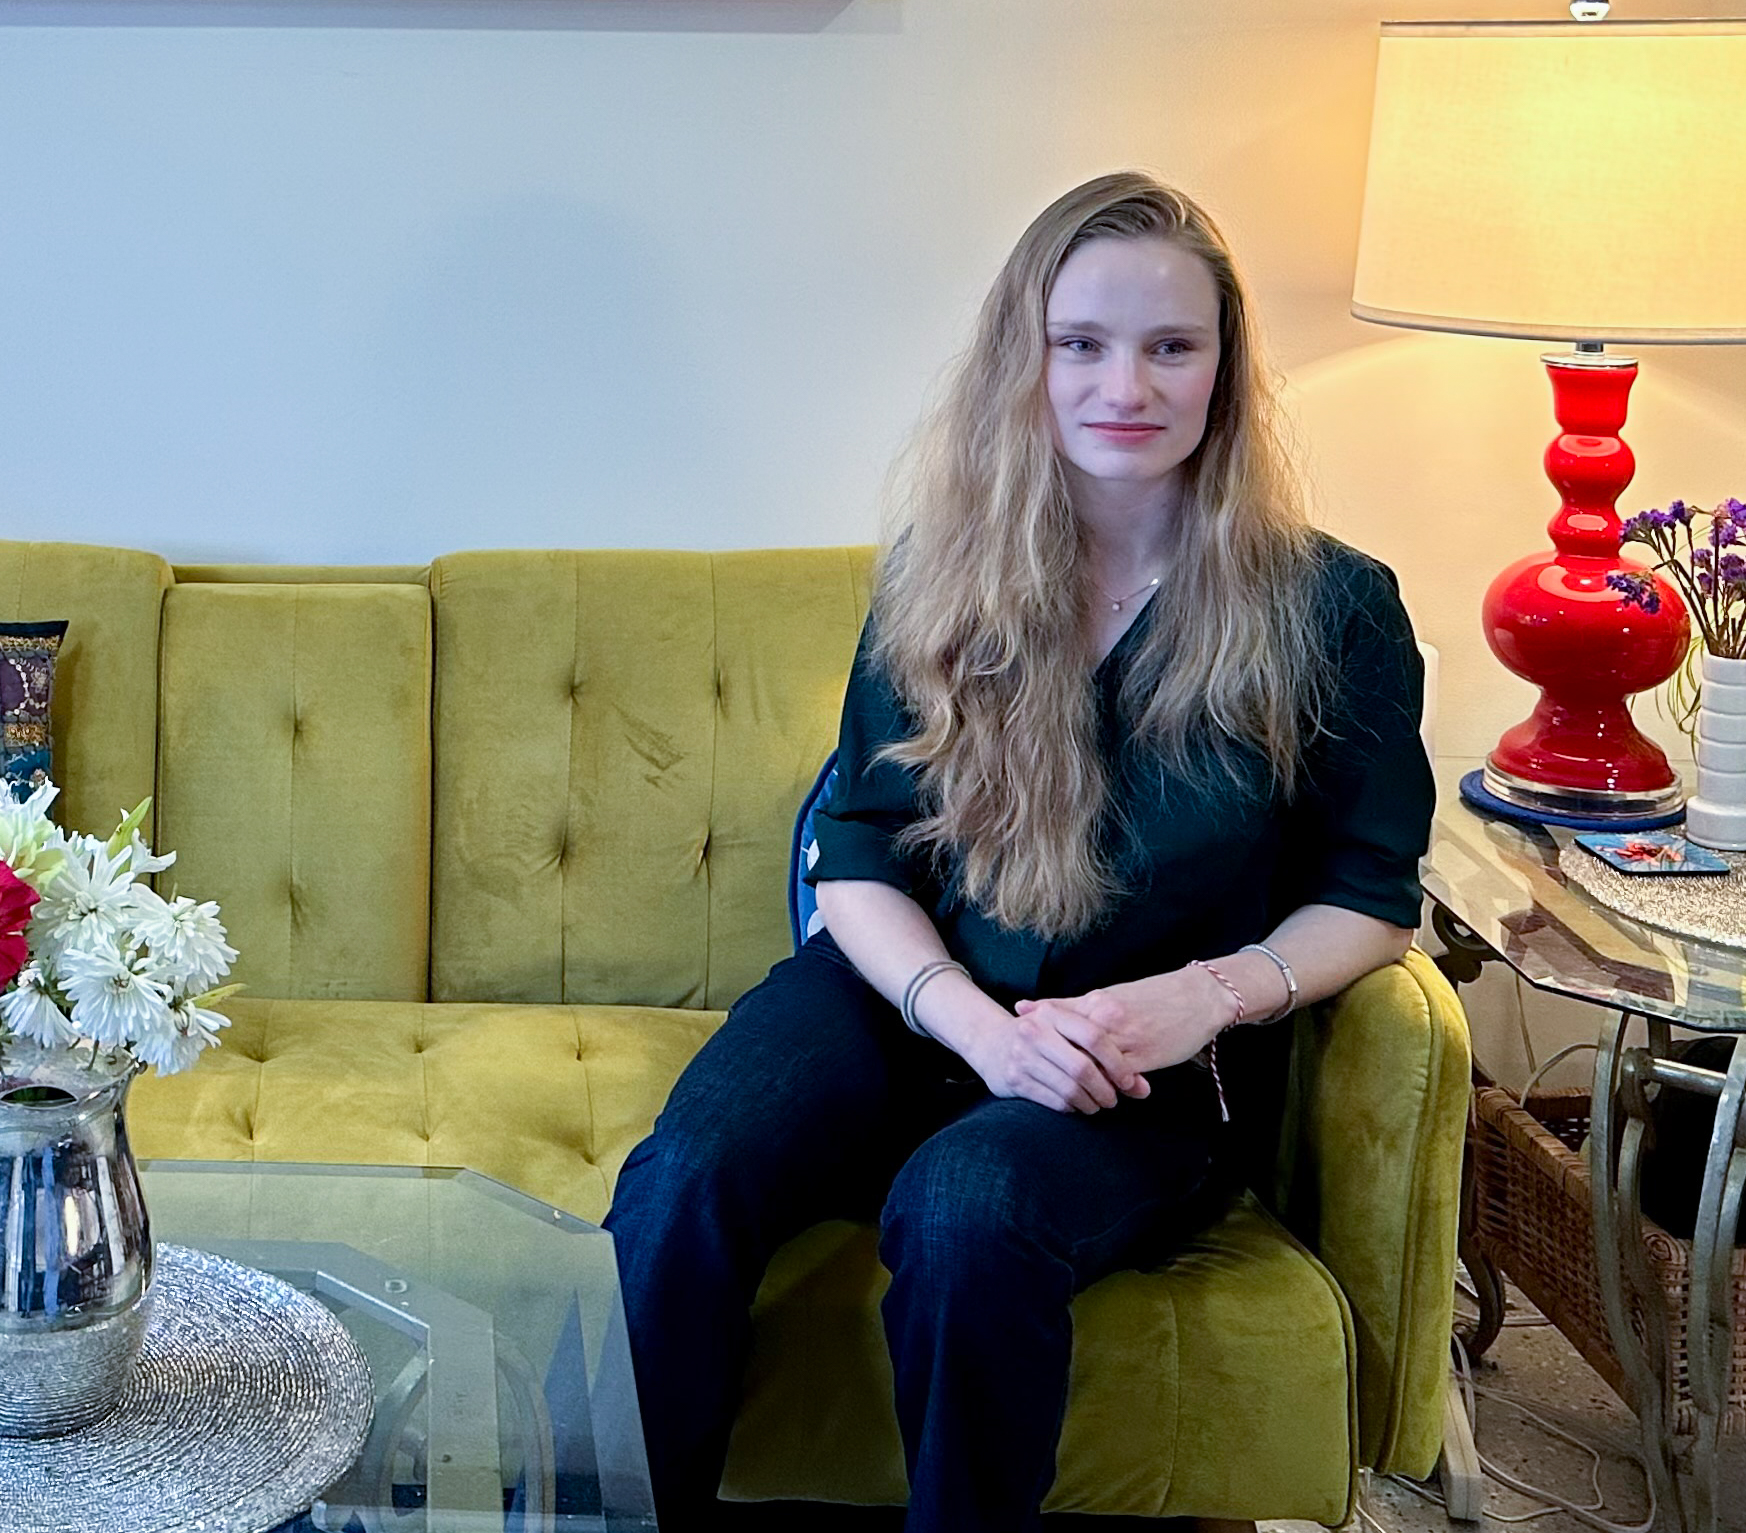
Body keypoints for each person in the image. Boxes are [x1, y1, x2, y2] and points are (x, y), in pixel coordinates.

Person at [606, 171, 1433, 1532]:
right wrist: (971, 1026)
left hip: (1140, 1059)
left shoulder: (1329, 605)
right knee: (687, 1171)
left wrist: (1208, 994)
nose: (1127, 382)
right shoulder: (940, 569)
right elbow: (858, 854)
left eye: (1172, 345)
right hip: (902, 995)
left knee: (966, 1203)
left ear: (1223, 370)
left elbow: (1368, 896)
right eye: (1082, 343)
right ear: (1025, 359)